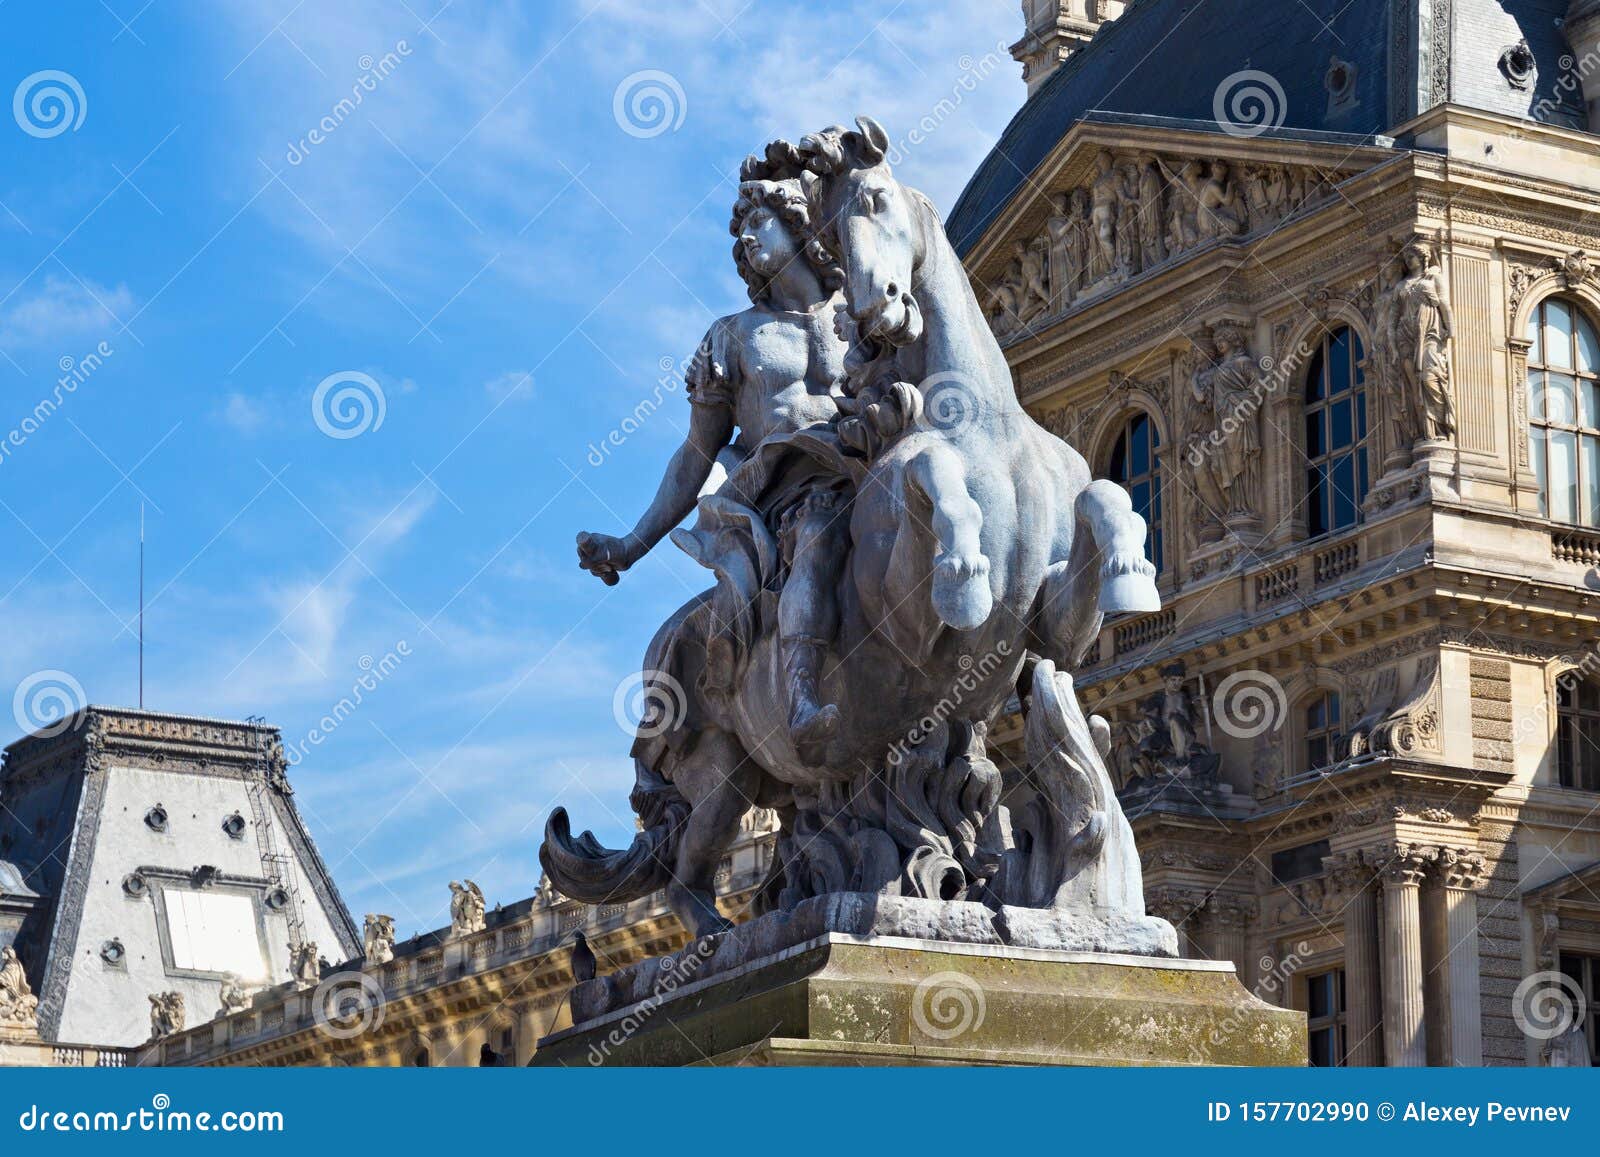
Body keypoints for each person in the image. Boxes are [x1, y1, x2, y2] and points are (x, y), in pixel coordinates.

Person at [576, 175, 852, 763]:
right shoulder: (731, 337)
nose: (746, 238)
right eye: (741, 229)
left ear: (798, 221)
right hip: (783, 494)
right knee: (818, 536)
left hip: (861, 471)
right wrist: (629, 545)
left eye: (759, 222)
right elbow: (696, 454)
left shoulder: (860, 317)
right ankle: (801, 698)